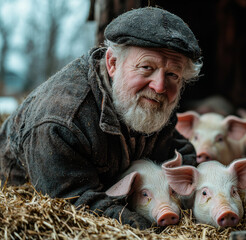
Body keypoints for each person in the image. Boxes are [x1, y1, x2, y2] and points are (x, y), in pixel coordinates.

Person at [0, 7, 202, 229]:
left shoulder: (147, 102)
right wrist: (144, 227)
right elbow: (70, 203)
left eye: (173, 74)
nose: (160, 86)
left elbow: (176, 151)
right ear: (113, 63)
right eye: (146, 67)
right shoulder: (60, 122)